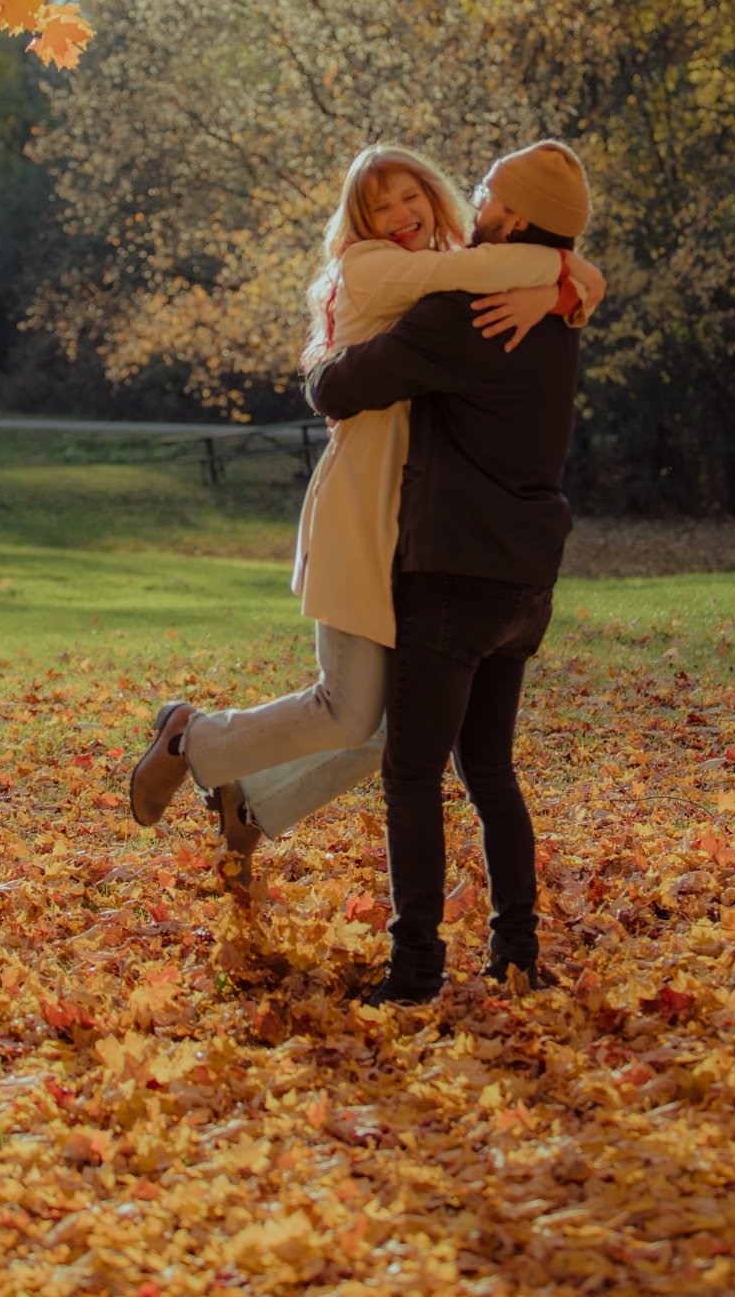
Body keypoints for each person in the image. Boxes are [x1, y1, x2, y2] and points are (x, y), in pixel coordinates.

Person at [128, 144, 603, 886]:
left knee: (396, 726)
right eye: (383, 205)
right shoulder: (379, 267)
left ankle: (249, 803)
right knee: (351, 712)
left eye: (414, 195)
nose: (403, 214)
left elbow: (496, 268)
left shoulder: (451, 265)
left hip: (413, 519)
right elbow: (489, 272)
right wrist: (568, 276)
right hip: (362, 500)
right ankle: (194, 737)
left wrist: (568, 284)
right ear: (361, 220)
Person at [305, 140, 593, 1004]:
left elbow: (339, 391)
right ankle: (515, 948)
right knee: (490, 772)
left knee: (414, 775)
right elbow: (574, 274)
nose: (473, 208)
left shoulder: (459, 313)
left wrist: (324, 361)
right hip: (525, 582)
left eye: (486, 197)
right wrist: (566, 282)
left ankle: (416, 966)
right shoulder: (556, 313)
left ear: (515, 220)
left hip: (452, 576)